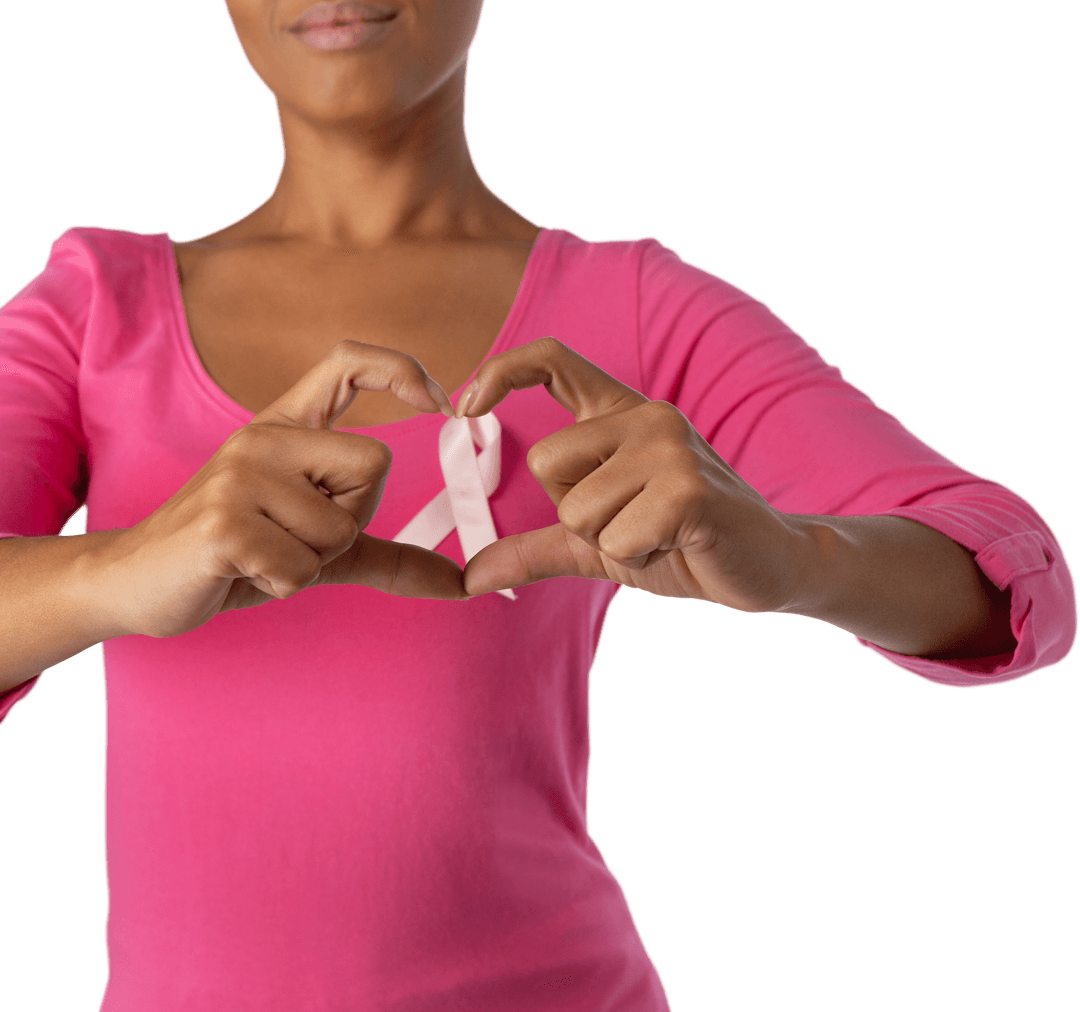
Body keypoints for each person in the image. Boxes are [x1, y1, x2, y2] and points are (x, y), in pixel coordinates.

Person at [0, 1, 1075, 1009]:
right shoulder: (101, 306)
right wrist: (120, 569)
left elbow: (1018, 581)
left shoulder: (639, 307)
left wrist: (797, 556)